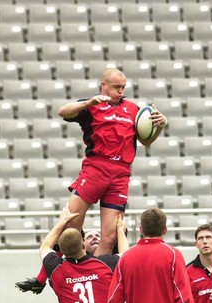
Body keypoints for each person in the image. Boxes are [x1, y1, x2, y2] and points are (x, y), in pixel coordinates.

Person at [58, 68, 167, 256]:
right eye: (117, 87)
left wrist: (160, 126)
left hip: (120, 174)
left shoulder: (133, 109)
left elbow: (146, 141)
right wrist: (88, 102)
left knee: (110, 237)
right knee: (71, 223)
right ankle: (68, 268)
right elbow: (63, 112)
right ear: (103, 85)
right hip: (96, 168)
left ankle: (97, 276)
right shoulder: (92, 105)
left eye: (123, 87)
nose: (121, 91)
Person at [15, 229, 101, 294]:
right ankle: (40, 281)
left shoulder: (110, 262)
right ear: (82, 244)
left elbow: (45, 248)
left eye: (98, 236)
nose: (94, 238)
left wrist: (63, 220)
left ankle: (39, 282)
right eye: (89, 237)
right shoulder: (61, 268)